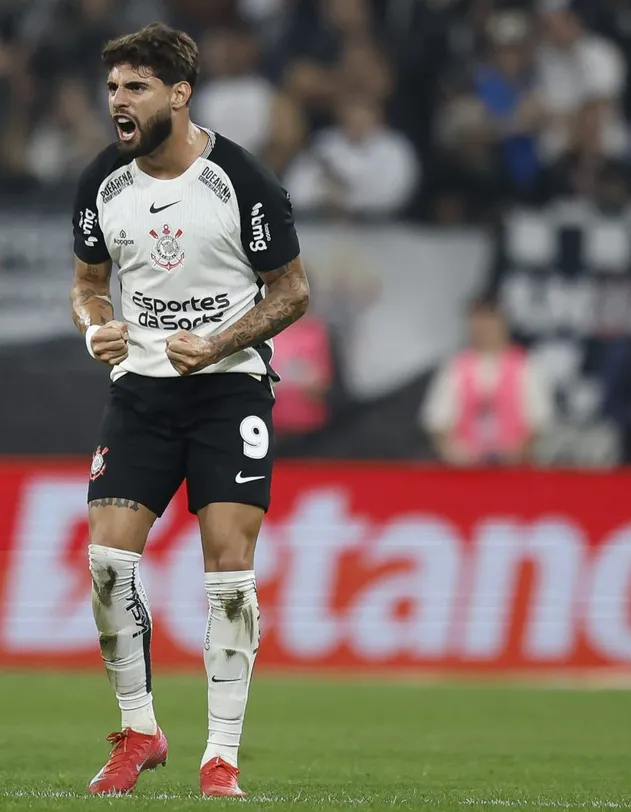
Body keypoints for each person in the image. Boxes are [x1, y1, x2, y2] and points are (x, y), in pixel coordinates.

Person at [70, 22, 309, 798]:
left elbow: (293, 291)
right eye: (113, 88)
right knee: (107, 565)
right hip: (140, 390)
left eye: (135, 87)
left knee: (228, 570)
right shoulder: (103, 183)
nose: (119, 102)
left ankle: (222, 756)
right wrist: (93, 326)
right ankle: (140, 730)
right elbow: (87, 281)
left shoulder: (241, 180)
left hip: (229, 386)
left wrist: (215, 344)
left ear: (179, 93)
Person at [420, 298, 553, 466]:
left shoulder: (526, 366)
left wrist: (519, 450)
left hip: (514, 471)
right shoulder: (455, 367)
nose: (483, 329)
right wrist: (452, 450)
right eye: (477, 322)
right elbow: (437, 421)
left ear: (503, 323)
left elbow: (539, 422)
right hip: (465, 471)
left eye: (489, 321)